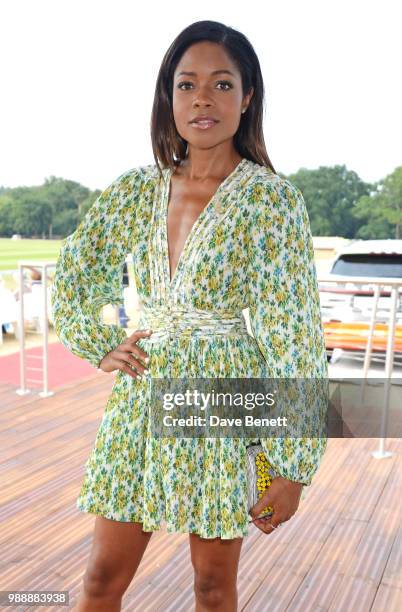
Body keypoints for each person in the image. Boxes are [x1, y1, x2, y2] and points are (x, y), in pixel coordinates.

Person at [51, 19, 328, 612]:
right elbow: (77, 270)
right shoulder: (135, 191)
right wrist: (98, 339)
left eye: (223, 84)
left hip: (223, 401)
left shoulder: (270, 201)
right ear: (168, 97)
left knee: (212, 585)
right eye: (187, 84)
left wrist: (293, 467)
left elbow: (294, 335)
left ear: (248, 96)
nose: (203, 98)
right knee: (101, 579)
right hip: (142, 394)